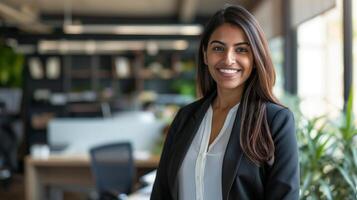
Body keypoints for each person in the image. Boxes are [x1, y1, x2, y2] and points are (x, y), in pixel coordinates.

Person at [151, 4, 299, 200]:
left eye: (241, 50)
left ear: (255, 57)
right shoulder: (185, 118)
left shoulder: (276, 121)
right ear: (205, 54)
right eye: (218, 48)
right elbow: (161, 193)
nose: (228, 59)